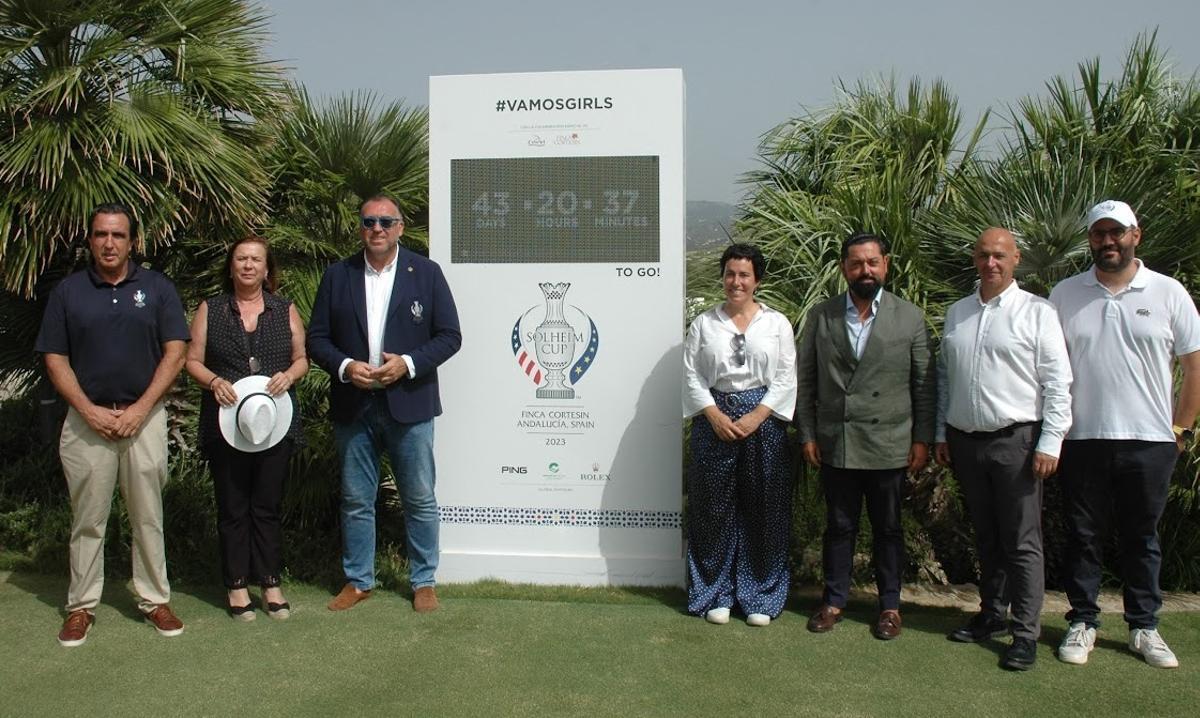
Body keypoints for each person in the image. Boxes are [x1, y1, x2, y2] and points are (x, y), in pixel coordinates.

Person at [1049, 200, 1200, 669]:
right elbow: (1050, 368)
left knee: (1142, 537)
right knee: (1084, 535)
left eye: (1117, 233)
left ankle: (1144, 626)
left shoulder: (1168, 292)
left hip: (1151, 441)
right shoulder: (1065, 293)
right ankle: (1084, 621)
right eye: (1099, 234)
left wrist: (1181, 429)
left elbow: (1195, 366)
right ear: (1090, 239)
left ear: (1137, 234)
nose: (1108, 241)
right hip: (1083, 438)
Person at [35, 203, 190, 646]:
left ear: (132, 242)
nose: (109, 243)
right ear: (89, 240)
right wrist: (88, 409)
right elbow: (55, 358)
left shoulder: (157, 288)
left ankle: (155, 599)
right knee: (88, 519)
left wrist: (141, 408)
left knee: (148, 516)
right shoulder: (69, 292)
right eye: (101, 234)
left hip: (144, 419)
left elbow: (175, 350)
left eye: (118, 235)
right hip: (88, 421)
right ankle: (81, 607)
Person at [308, 194, 462, 613]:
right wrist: (343, 367)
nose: (376, 228)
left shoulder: (425, 274)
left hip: (409, 403)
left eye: (385, 222)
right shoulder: (338, 275)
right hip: (354, 404)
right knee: (358, 498)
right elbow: (317, 339)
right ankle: (358, 581)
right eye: (368, 222)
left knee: (419, 497)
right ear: (360, 228)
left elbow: (450, 336)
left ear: (400, 228)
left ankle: (424, 581)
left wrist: (408, 365)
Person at [934, 228, 1073, 670]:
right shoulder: (958, 312)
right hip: (964, 441)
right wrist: (940, 433)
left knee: (1021, 541)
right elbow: (945, 380)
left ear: (1015, 259)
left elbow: (1058, 383)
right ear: (974, 259)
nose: (990, 263)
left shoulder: (1037, 312)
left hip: (1016, 441)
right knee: (987, 535)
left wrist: (1051, 440)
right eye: (983, 255)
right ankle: (991, 613)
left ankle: (1025, 632)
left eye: (999, 256)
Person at [796, 232, 935, 640]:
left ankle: (890, 606)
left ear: (885, 264)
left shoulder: (909, 317)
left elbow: (923, 385)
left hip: (890, 443)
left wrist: (922, 438)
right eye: (856, 264)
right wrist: (807, 432)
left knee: (888, 529)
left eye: (872, 262)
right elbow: (805, 381)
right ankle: (834, 600)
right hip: (837, 441)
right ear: (844, 269)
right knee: (839, 527)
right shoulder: (823, 316)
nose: (865, 271)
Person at [185, 236, 309, 620]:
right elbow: (191, 360)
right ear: (231, 265)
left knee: (267, 507)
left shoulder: (284, 309)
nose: (248, 265)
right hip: (226, 425)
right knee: (233, 507)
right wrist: (212, 382)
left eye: (256, 259)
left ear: (267, 268)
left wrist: (289, 376)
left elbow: (302, 358)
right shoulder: (212, 309)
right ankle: (237, 585)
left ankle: (271, 582)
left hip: (274, 424)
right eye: (241, 258)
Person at [683, 243, 797, 626]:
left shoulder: (777, 323)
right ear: (723, 277)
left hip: (763, 422)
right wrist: (714, 415)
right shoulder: (704, 323)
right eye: (730, 273)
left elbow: (785, 376)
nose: (736, 282)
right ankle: (714, 593)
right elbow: (691, 375)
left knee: (764, 508)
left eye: (744, 274)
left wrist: (758, 416)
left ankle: (759, 595)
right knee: (712, 508)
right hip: (714, 420)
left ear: (757, 280)